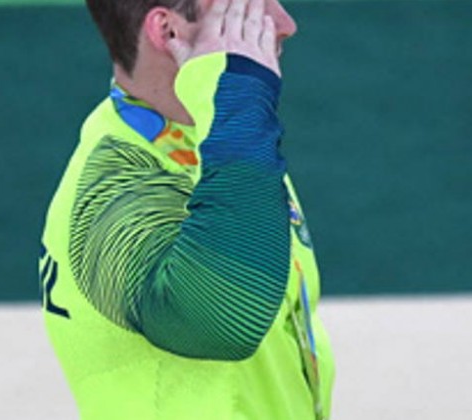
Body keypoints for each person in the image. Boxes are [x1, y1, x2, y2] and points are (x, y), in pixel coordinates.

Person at [39, 0, 335, 418]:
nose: (285, 24)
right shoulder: (113, 188)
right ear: (169, 32)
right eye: (249, 8)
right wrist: (240, 95)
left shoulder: (213, 141)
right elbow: (224, 321)